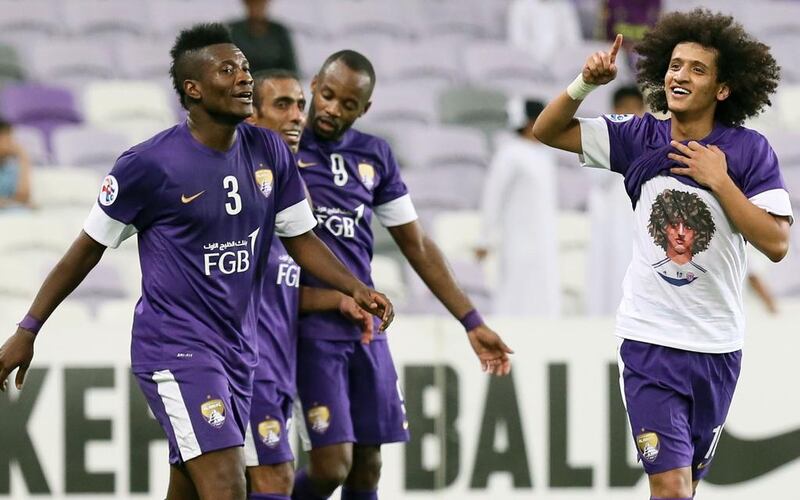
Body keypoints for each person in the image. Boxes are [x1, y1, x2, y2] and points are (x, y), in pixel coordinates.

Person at [0, 24, 395, 500]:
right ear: (194, 89)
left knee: (189, 489)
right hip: (177, 349)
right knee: (229, 488)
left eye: (246, 68)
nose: (245, 78)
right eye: (228, 70)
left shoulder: (268, 150)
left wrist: (355, 286)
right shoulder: (147, 165)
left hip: (238, 351)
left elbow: (302, 238)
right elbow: (85, 250)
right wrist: (28, 328)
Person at [533, 10, 791, 499]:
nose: (680, 76)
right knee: (670, 488)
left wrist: (720, 181)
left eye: (697, 69)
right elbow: (547, 131)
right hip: (649, 340)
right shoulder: (639, 138)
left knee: (685, 488)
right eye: (675, 65)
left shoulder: (748, 151)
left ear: (722, 88)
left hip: (718, 346)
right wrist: (583, 84)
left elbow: (776, 244)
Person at [291, 50, 514, 500]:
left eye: (348, 103)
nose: (334, 108)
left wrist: (471, 321)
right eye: (328, 95)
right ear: (314, 86)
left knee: (368, 467)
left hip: (366, 329)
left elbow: (417, 244)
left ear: (365, 109)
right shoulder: (283, 149)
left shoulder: (375, 155)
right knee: (331, 466)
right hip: (308, 325)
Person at [244, 69, 374, 500]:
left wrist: (341, 298)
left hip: (280, 363)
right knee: (273, 480)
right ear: (252, 117)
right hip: (246, 364)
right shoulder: (238, 188)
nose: (297, 115)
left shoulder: (290, 196)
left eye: (300, 104)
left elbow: (282, 289)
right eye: (282, 105)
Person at [475, 99, 560, 316]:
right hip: (518, 239)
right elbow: (493, 196)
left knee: (544, 290)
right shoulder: (509, 154)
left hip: (544, 238)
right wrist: (484, 236)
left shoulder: (545, 154)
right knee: (516, 290)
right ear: (531, 123)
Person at [229, 0, 297, 74]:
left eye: (260, 4)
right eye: (253, 4)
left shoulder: (279, 31)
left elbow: (291, 67)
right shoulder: (233, 31)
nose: (257, 8)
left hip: (273, 81)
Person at [0, 119, 32, 209]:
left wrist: (24, 159)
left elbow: (24, 196)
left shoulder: (11, 169)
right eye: (8, 139)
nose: (12, 143)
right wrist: (15, 202)